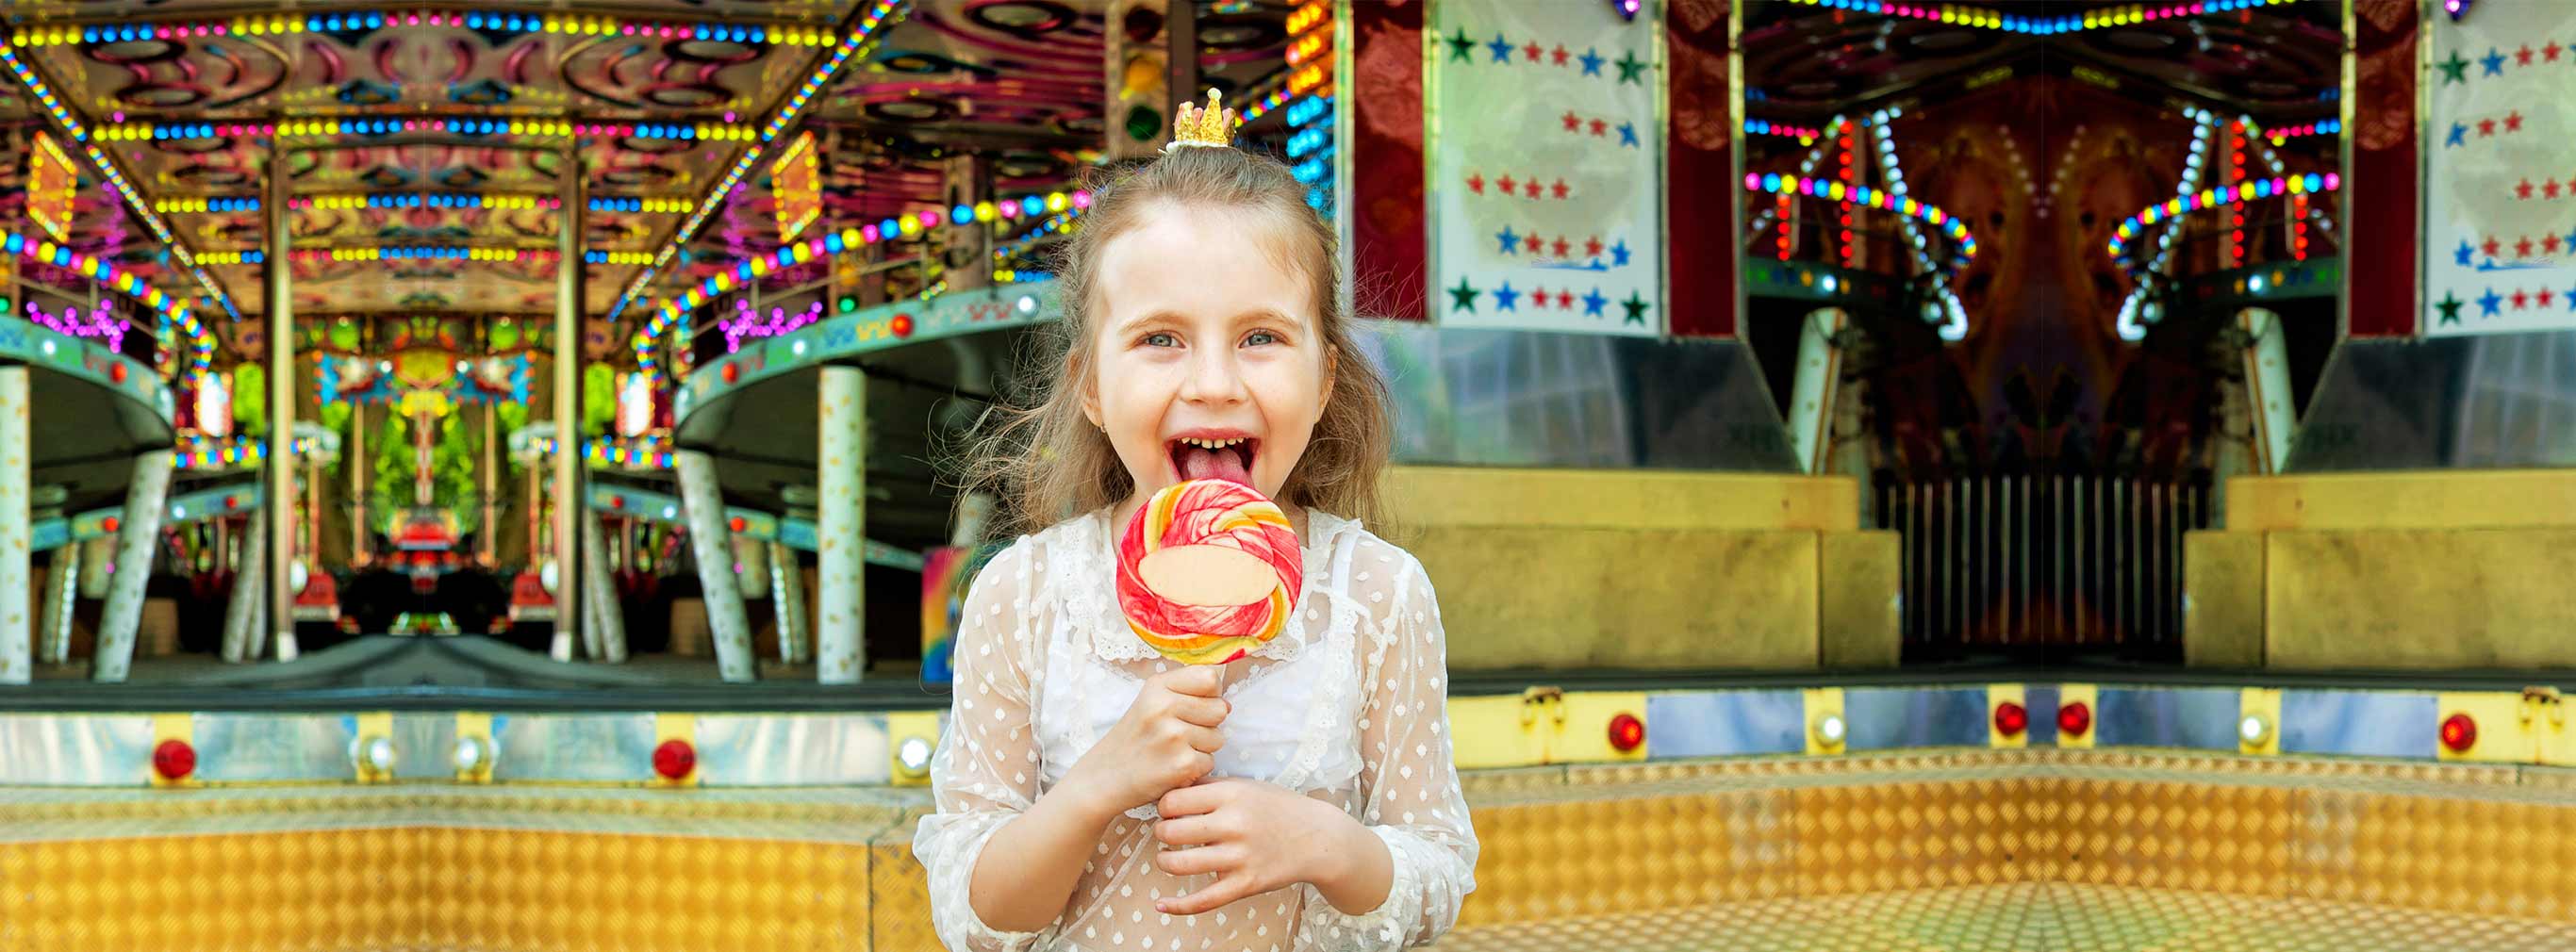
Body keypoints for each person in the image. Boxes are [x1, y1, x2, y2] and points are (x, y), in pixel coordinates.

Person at [916, 92, 1478, 952]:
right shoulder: (1022, 597)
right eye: (1160, 339)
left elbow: (1438, 872)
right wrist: (1096, 785)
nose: (1214, 382)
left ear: (1325, 381)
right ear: (1092, 388)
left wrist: (1329, 845)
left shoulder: (1377, 596)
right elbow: (979, 911)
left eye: (1260, 337)